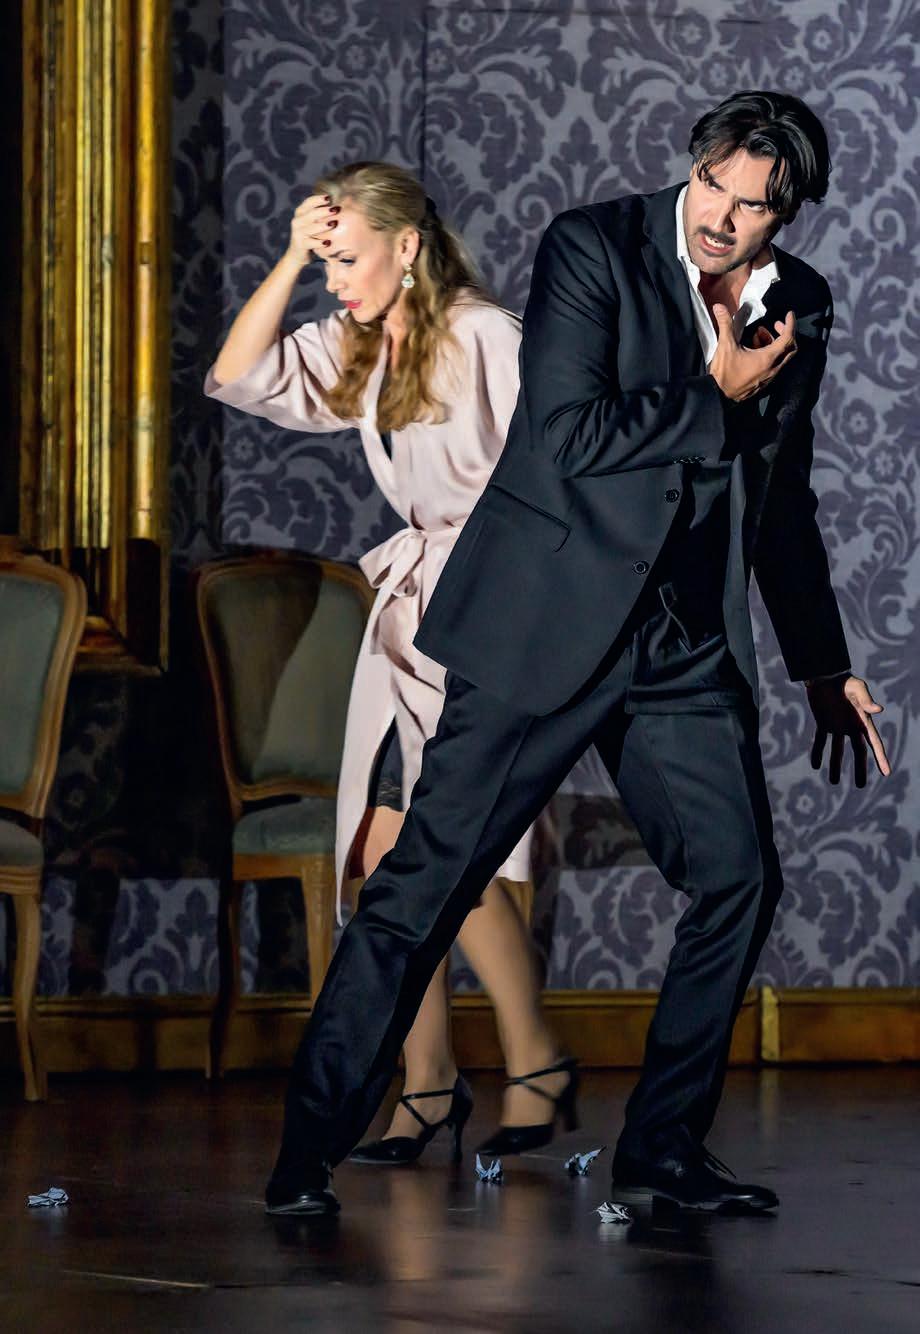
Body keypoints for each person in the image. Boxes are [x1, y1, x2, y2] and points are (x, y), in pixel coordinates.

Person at [262, 91, 892, 1218]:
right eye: (713, 186)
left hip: (677, 641)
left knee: (738, 879)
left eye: (754, 205)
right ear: (693, 166)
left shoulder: (799, 302)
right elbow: (565, 437)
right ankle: (304, 1152)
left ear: (786, 212)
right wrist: (711, 393)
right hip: (543, 620)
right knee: (424, 887)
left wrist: (819, 664)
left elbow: (778, 495)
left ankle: (661, 1149)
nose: (722, 217)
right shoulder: (592, 247)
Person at [207, 162, 575, 1171]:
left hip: (489, 604)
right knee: (381, 859)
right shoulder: (360, 344)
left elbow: (559, 472)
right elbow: (236, 373)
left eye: (347, 259)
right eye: (324, 265)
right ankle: (433, 1078)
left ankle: (526, 1056)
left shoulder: (485, 335)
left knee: (437, 847)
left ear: (407, 246)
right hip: (410, 613)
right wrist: (294, 254)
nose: (336, 283)